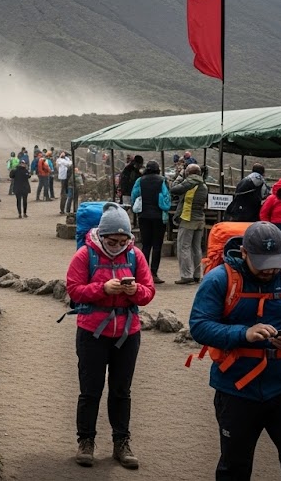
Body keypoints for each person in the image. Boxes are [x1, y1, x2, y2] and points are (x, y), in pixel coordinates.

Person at [188, 222, 281, 480]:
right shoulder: (219, 279)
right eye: (262, 262)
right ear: (244, 253)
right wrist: (244, 334)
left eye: (275, 262)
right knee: (235, 468)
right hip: (235, 389)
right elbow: (199, 326)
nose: (270, 270)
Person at [66, 203, 155, 469]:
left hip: (128, 332)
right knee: (90, 390)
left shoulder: (135, 256)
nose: (117, 245)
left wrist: (135, 291)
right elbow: (74, 290)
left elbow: (149, 292)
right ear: (101, 235)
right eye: (112, 240)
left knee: (121, 390)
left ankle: (121, 442)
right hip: (92, 331)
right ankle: (86, 441)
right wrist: (102, 288)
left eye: (123, 239)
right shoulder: (84, 255)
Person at [130, 160, 169, 284]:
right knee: (157, 246)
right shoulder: (162, 180)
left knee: (146, 245)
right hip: (159, 217)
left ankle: (143, 273)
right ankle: (154, 273)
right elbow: (166, 197)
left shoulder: (140, 181)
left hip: (144, 216)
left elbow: (134, 196)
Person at [170, 163, 208, 285]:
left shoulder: (189, 182)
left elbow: (174, 189)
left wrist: (180, 176)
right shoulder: (203, 184)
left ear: (188, 172)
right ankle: (197, 275)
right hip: (200, 219)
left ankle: (186, 275)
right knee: (196, 248)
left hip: (188, 218)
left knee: (184, 247)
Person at [57, 151, 74, 215]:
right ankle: (63, 210)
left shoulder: (65, 160)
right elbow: (69, 164)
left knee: (66, 194)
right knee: (64, 194)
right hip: (64, 179)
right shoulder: (60, 160)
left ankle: (65, 209)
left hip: (66, 178)